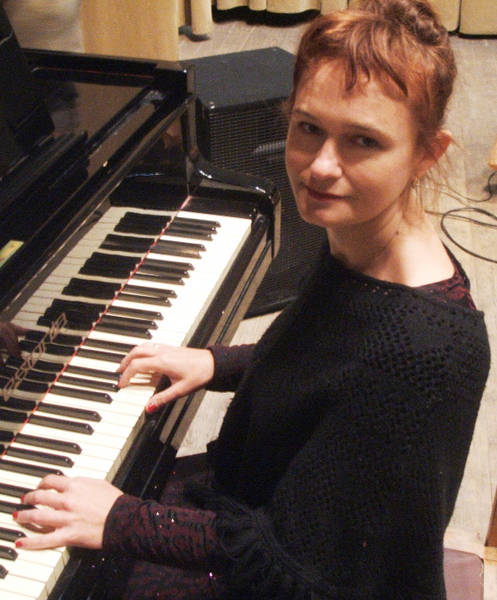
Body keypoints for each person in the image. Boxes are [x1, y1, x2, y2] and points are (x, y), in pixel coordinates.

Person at [15, 0, 491, 597]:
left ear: (427, 153)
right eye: (308, 127)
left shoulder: (427, 347)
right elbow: (331, 363)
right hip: (262, 498)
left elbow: (296, 564)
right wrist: (219, 361)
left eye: (362, 141)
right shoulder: (366, 239)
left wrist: (123, 520)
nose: (320, 167)